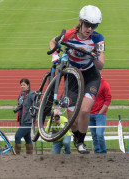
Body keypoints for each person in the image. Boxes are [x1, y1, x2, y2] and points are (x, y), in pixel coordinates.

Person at [49, 5, 105, 154]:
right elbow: (53, 42)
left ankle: (81, 142)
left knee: (85, 111)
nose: (90, 29)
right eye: (87, 25)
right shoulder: (69, 35)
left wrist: (96, 56)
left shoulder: (98, 39)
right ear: (80, 22)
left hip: (90, 76)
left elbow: (101, 66)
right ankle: (76, 136)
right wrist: (55, 57)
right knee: (72, 121)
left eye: (94, 26)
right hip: (73, 76)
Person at [89, 77, 111, 154]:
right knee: (94, 135)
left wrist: (100, 112)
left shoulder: (105, 84)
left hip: (100, 115)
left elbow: (108, 99)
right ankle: (97, 152)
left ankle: (103, 152)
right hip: (90, 114)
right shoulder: (89, 83)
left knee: (99, 134)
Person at [13, 78, 35, 155]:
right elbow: (21, 105)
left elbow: (37, 103)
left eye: (24, 85)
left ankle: (17, 154)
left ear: (28, 85)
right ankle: (29, 156)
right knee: (27, 138)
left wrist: (33, 111)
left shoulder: (32, 94)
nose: (22, 86)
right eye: (21, 85)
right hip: (21, 120)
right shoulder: (21, 94)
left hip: (28, 121)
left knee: (17, 136)